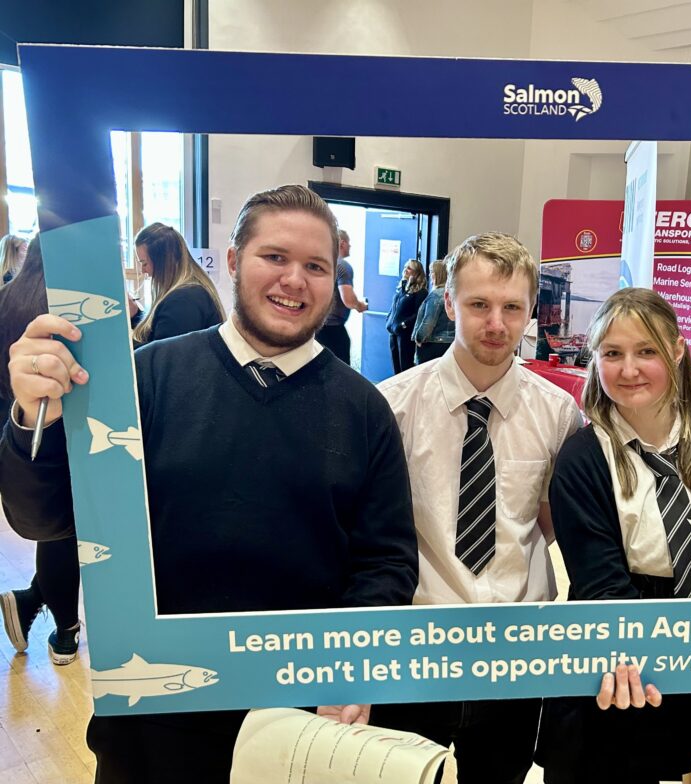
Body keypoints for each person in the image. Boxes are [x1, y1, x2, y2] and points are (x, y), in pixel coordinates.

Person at [0, 185, 419, 783]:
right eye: (274, 257)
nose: (294, 280)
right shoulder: (144, 378)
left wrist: (347, 664)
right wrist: (27, 419)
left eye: (316, 266)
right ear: (230, 261)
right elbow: (42, 520)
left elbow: (387, 561)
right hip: (152, 722)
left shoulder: (364, 410)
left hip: (296, 728)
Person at [374, 232, 582, 784]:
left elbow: (549, 523)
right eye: (479, 305)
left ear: (531, 310)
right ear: (448, 303)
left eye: (512, 307)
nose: (497, 324)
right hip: (418, 649)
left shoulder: (560, 415)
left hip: (514, 653)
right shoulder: (392, 406)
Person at [539, 287, 691, 784]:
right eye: (613, 354)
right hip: (613, 675)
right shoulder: (582, 458)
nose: (629, 369)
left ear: (678, 351)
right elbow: (602, 590)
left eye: (647, 351)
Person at [0, 237, 82, 665]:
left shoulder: (7, 298)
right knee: (67, 532)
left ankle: (34, 600)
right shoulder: (70, 310)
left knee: (58, 530)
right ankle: (64, 629)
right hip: (67, 428)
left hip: (17, 429)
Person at [131, 222, 225, 346]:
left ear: (163, 261)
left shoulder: (184, 300)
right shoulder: (189, 293)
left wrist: (124, 345)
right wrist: (136, 314)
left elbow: (161, 358)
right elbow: (161, 333)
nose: (143, 270)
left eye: (144, 263)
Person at [316, 229, 367, 364]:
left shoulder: (320, 263)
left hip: (316, 327)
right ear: (342, 243)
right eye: (349, 243)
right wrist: (360, 305)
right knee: (339, 370)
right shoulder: (342, 266)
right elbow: (349, 300)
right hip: (333, 329)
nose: (350, 246)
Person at [385, 258, 427, 374]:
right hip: (393, 332)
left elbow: (419, 314)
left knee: (405, 368)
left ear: (416, 273)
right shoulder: (402, 289)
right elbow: (394, 308)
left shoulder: (420, 292)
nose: (405, 270)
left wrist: (403, 325)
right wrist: (389, 320)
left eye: (409, 268)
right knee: (396, 368)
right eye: (405, 267)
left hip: (405, 335)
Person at [412, 259, 455, 364]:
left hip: (433, 345)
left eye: (431, 272)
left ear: (437, 275)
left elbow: (428, 322)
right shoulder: (454, 294)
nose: (430, 275)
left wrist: (419, 338)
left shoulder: (435, 295)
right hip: (451, 344)